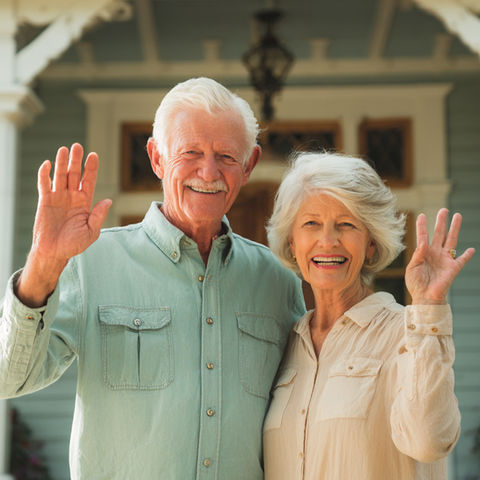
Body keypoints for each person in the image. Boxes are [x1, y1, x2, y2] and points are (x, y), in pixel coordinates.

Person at [0, 78, 305, 479]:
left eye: (227, 156)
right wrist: (42, 264)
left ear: (249, 165)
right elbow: (10, 379)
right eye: (190, 152)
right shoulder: (90, 263)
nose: (208, 171)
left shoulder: (278, 279)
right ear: (157, 158)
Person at [263, 152, 475, 480]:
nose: (328, 241)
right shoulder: (286, 342)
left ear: (372, 244)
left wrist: (428, 306)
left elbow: (429, 442)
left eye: (346, 225)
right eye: (311, 224)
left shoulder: (407, 333)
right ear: (292, 242)